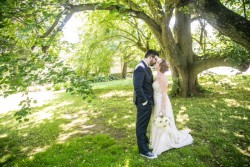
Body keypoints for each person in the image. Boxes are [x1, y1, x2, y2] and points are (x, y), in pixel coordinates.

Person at [150, 58, 193, 156]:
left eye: (157, 62)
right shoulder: (157, 75)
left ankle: (163, 143)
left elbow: (164, 95)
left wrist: (163, 109)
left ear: (160, 66)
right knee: (155, 121)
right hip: (156, 101)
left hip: (161, 103)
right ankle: (156, 140)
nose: (155, 63)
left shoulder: (163, 78)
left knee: (162, 121)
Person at [133, 49, 159, 159]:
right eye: (155, 59)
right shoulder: (140, 68)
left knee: (144, 125)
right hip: (144, 103)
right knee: (141, 126)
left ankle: (145, 142)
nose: (156, 61)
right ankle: (143, 151)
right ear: (150, 57)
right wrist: (145, 101)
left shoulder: (146, 67)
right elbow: (137, 87)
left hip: (148, 101)